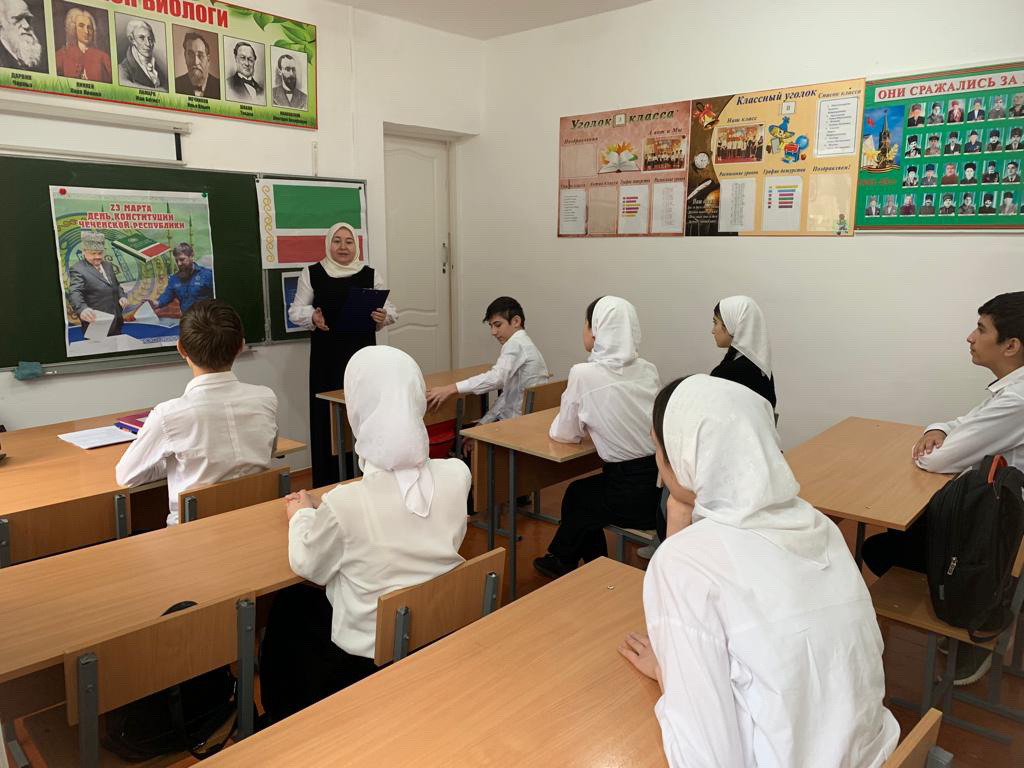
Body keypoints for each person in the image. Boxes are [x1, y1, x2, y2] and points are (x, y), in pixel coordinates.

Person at [620, 375, 899, 768]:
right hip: (878, 754)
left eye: (659, 449)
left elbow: (707, 758)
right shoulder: (820, 526)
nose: (657, 462)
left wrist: (670, 675)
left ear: (685, 458)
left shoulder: (686, 563)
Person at [260, 345, 469, 723]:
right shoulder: (457, 475)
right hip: (440, 631)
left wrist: (301, 515)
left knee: (290, 605)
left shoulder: (346, 503)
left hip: (368, 656)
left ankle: (279, 721)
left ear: (358, 411)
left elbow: (308, 564)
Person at [863, 293, 1024, 684]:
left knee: (881, 547)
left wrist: (937, 443)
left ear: (1011, 346)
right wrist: (937, 428)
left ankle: (973, 618)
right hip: (992, 512)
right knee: (899, 533)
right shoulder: (1011, 389)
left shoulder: (1018, 399)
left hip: (999, 534)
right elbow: (962, 424)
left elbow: (937, 460)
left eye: (981, 329)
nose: (970, 337)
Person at [115, 300, 278, 526]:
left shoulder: (168, 415)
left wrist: (175, 462)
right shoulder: (265, 398)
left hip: (194, 534)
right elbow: (270, 451)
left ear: (181, 348)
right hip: (257, 522)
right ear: (241, 346)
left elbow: (126, 476)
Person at [533, 296, 661, 578]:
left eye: (586, 323)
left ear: (597, 330)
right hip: (660, 486)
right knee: (584, 496)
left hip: (628, 491)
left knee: (578, 496)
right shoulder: (648, 369)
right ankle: (581, 561)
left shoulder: (584, 374)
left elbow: (564, 433)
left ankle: (570, 561)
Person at [288, 222, 397, 486]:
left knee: (364, 413)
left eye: (349, 241)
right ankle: (329, 480)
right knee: (328, 417)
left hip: (363, 357)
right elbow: (295, 311)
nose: (343, 246)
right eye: (337, 241)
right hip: (327, 358)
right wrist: (312, 316)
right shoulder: (312, 273)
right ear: (328, 244)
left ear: (356, 246)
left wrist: (383, 316)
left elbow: (391, 310)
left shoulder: (370, 274)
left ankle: (367, 476)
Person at [426, 296, 549, 433]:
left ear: (516, 321)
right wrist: (482, 424)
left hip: (517, 428)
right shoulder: (526, 343)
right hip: (530, 423)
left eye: (498, 325)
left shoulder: (515, 343)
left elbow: (496, 379)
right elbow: (506, 396)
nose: (493, 332)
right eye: (491, 326)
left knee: (458, 434)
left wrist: (450, 388)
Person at [710, 296, 776, 410]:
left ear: (732, 325)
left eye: (716, 323)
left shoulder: (725, 373)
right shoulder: (764, 373)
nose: (713, 330)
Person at [68, 230, 128, 337]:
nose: (97, 257)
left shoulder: (108, 265)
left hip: (116, 319)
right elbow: (75, 292)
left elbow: (116, 285)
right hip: (96, 322)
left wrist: (121, 296)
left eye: (100, 253)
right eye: (93, 253)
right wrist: (82, 309)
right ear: (84, 252)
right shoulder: (78, 269)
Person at [150, 242, 214, 314]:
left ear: (191, 256)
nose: (179, 264)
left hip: (206, 317)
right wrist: (156, 303)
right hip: (187, 318)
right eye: (176, 261)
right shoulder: (174, 279)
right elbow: (167, 295)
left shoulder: (207, 275)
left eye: (182, 259)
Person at [55, 6, 111, 82]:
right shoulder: (61, 55)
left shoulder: (103, 58)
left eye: (89, 27)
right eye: (81, 26)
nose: (86, 31)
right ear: (73, 28)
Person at [118, 17, 164, 91]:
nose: (148, 44)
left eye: (150, 38)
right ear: (132, 39)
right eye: (141, 38)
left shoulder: (158, 67)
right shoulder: (122, 69)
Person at [0, 0, 46, 72]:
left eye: (28, 19)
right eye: (18, 19)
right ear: (1, 24)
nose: (26, 25)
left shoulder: (43, 60)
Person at [174, 30, 219, 98]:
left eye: (200, 55)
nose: (195, 62)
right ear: (185, 57)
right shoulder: (176, 84)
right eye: (190, 55)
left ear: (208, 59)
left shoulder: (219, 86)